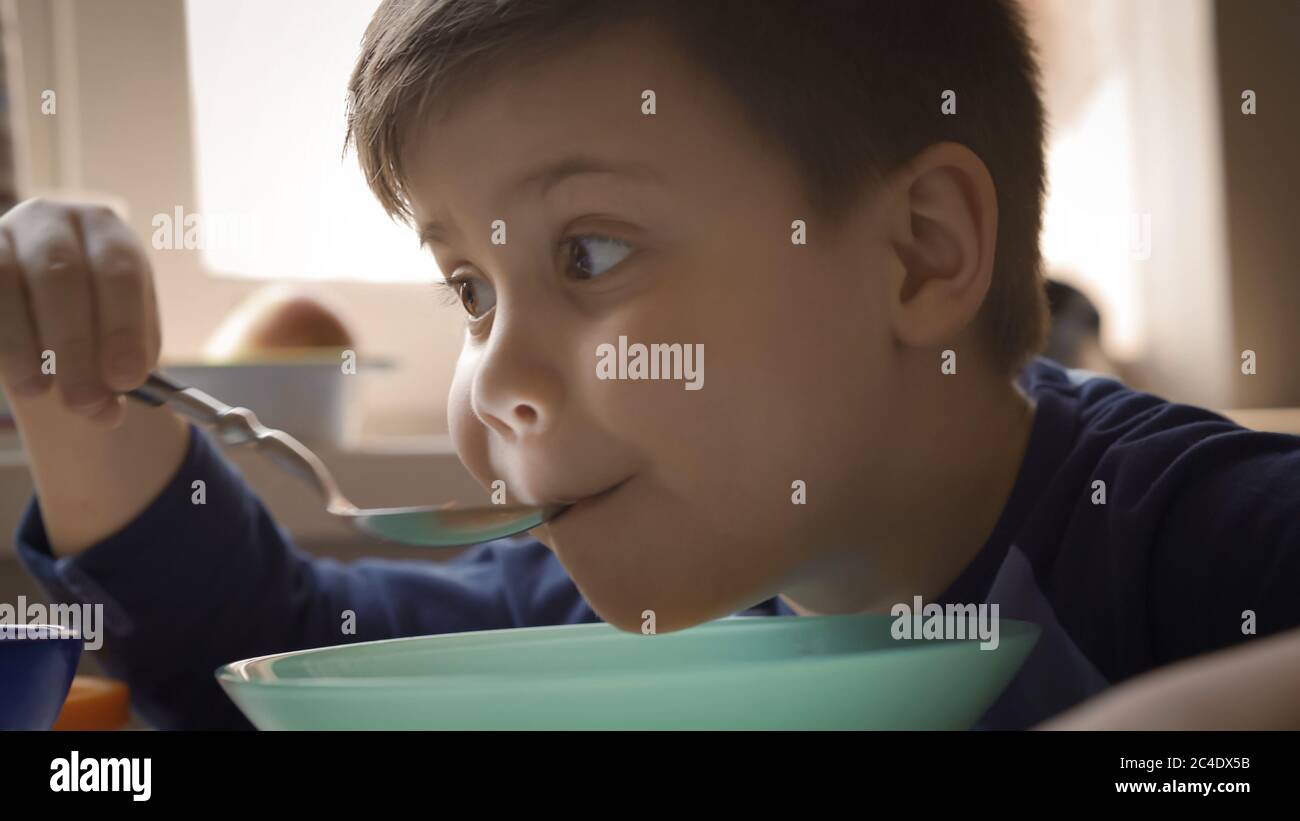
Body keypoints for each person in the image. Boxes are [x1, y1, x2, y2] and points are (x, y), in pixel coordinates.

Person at [3, 0, 1297, 730]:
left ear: (916, 254)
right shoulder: (596, 609)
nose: (490, 383)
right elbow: (263, 651)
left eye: (591, 251)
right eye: (469, 287)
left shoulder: (1172, 535)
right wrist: (71, 380)